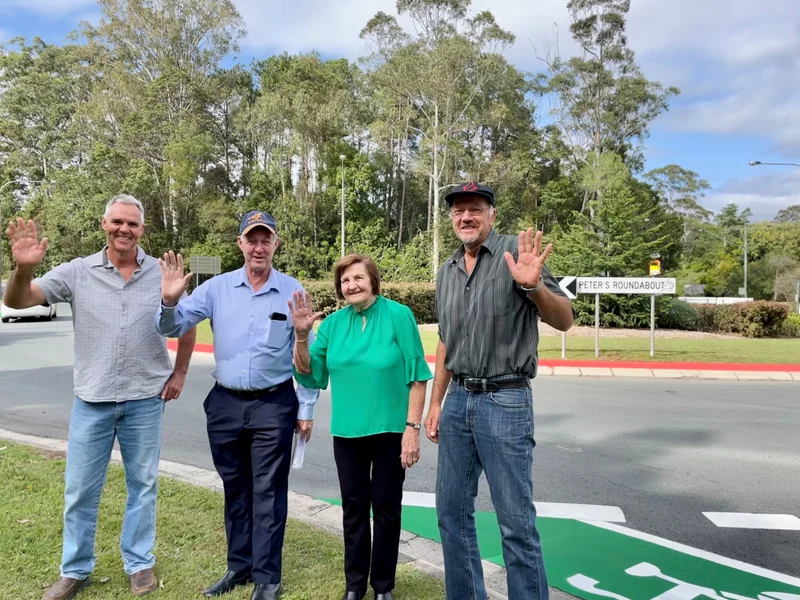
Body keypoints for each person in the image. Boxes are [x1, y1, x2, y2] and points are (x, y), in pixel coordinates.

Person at [3, 194, 197, 600]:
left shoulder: (162, 273)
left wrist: (177, 354)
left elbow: (181, 326)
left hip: (145, 399)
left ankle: (139, 563)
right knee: (80, 489)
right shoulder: (77, 272)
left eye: (133, 223)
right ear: (104, 224)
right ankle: (74, 569)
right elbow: (17, 300)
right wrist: (23, 269)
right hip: (91, 400)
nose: (125, 229)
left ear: (143, 229)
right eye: (118, 222)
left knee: (142, 485)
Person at [154, 210, 319, 600]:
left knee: (269, 491)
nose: (259, 247)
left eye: (266, 239)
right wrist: (167, 300)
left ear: (276, 243)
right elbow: (170, 327)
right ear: (241, 244)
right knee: (235, 488)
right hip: (226, 404)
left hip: (273, 404)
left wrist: (306, 406)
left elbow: (306, 359)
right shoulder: (216, 289)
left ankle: (267, 578)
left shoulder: (292, 290)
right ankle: (239, 567)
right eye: (252, 239)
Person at [423, 182, 574, 600]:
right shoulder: (447, 270)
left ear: (492, 215)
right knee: (451, 515)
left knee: (515, 523)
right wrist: (436, 402)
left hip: (505, 401)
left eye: (475, 209)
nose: (465, 217)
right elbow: (446, 340)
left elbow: (565, 319)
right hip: (458, 402)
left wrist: (533, 286)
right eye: (458, 211)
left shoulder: (515, 254)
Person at [289, 254, 432, 600]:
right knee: (353, 510)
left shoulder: (399, 316)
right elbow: (311, 372)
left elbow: (417, 376)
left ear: (373, 280)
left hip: (389, 432)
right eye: (345, 280)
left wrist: (412, 428)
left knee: (386, 508)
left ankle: (383, 586)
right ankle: (355, 586)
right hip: (348, 434)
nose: (351, 285)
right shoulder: (334, 325)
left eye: (358, 278)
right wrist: (302, 336)